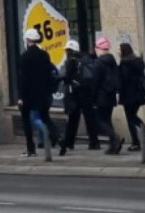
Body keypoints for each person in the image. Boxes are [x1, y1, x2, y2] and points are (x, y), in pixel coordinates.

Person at [17, 28, 61, 158]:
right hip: (43, 93)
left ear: (28, 40)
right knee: (45, 117)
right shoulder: (44, 55)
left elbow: (23, 79)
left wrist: (21, 97)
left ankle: (31, 149)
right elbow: (48, 74)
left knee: (28, 121)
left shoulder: (25, 57)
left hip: (29, 95)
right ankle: (57, 137)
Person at [59, 40, 102, 157]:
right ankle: (94, 142)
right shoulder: (86, 59)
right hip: (87, 92)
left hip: (75, 93)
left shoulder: (71, 61)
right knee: (89, 118)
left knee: (73, 118)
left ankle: (69, 142)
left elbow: (67, 77)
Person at [118, 42, 145, 152]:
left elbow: (123, 80)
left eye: (119, 49)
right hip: (139, 94)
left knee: (130, 118)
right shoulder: (137, 61)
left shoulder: (125, 63)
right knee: (133, 116)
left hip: (129, 94)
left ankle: (136, 142)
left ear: (124, 51)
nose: (118, 51)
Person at [93, 36, 124, 155]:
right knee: (107, 119)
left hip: (101, 95)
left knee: (100, 120)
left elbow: (95, 82)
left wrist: (93, 98)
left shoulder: (99, 63)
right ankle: (113, 145)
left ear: (99, 48)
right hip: (111, 95)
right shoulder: (112, 61)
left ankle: (115, 137)